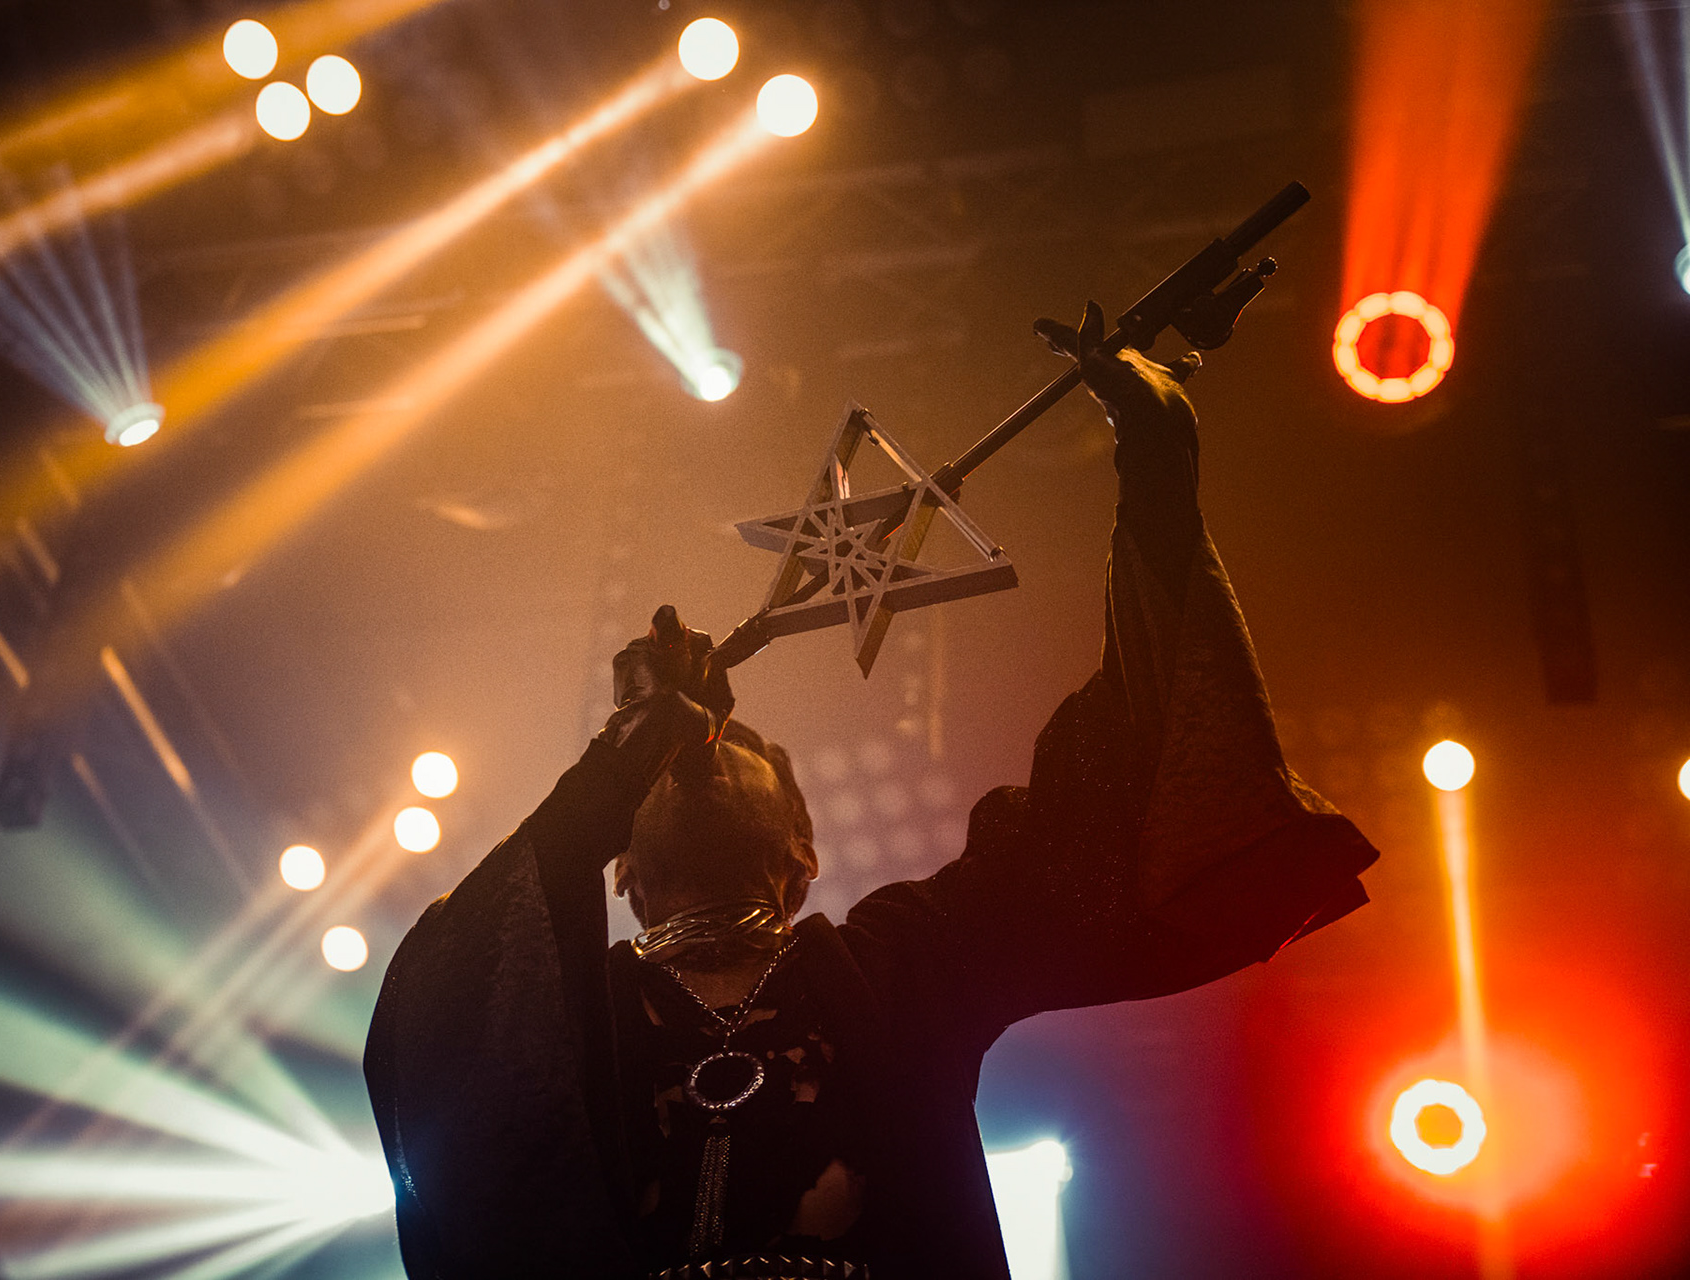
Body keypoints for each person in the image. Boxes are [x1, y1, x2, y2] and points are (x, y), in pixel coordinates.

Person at [363, 304, 1380, 1280]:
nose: (704, 752)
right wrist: (619, 757)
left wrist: (1158, 470)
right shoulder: (571, 1008)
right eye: (671, 764)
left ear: (802, 854)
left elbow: (1123, 798)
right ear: (620, 866)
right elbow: (444, 1015)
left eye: (738, 745)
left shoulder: (904, 961)